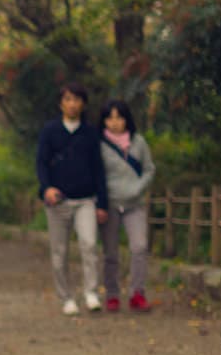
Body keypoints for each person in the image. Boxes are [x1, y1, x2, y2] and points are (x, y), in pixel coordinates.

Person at [35, 82, 109, 314]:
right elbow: (41, 163)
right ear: (60, 103)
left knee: (88, 245)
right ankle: (66, 297)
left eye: (76, 99)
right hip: (58, 201)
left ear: (83, 104)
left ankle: (91, 293)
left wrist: (102, 203)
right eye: (67, 99)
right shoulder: (50, 131)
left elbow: (99, 169)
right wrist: (46, 188)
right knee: (59, 252)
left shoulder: (90, 133)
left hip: (86, 199)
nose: (72, 104)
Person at [97, 99, 156, 312]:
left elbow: (150, 169)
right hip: (110, 204)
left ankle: (137, 293)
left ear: (126, 119)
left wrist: (138, 188)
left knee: (139, 247)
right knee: (110, 252)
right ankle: (112, 294)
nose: (115, 122)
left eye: (119, 117)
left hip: (135, 203)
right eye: (110, 118)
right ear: (104, 120)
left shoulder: (138, 142)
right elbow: (96, 174)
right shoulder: (99, 144)